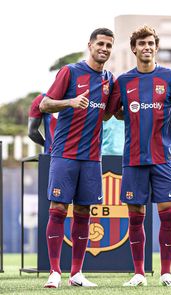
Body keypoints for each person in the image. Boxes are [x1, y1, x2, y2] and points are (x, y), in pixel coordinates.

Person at [107, 25, 171, 287]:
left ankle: (167, 272)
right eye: (142, 43)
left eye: (151, 43)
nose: (147, 47)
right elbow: (112, 112)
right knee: (135, 214)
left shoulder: (170, 77)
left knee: (167, 213)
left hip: (163, 159)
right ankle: (138, 273)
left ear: (156, 47)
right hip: (133, 159)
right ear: (134, 48)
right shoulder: (123, 81)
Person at [39, 27, 115, 288]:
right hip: (64, 155)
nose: (104, 49)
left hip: (92, 158)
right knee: (58, 209)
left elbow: (106, 113)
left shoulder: (109, 79)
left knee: (84, 213)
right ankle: (54, 272)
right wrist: (70, 102)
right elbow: (44, 105)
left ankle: (76, 274)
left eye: (109, 45)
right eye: (101, 44)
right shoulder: (70, 72)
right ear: (90, 45)